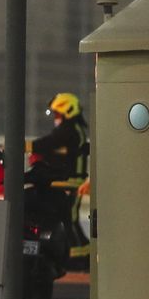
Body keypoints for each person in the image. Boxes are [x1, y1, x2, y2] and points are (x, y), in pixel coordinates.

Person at [26, 92, 90, 227]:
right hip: (66, 181)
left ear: (68, 111)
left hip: (68, 182)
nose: (56, 118)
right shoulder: (74, 129)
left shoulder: (69, 129)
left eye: (58, 114)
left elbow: (47, 143)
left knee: (69, 223)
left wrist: (26, 146)